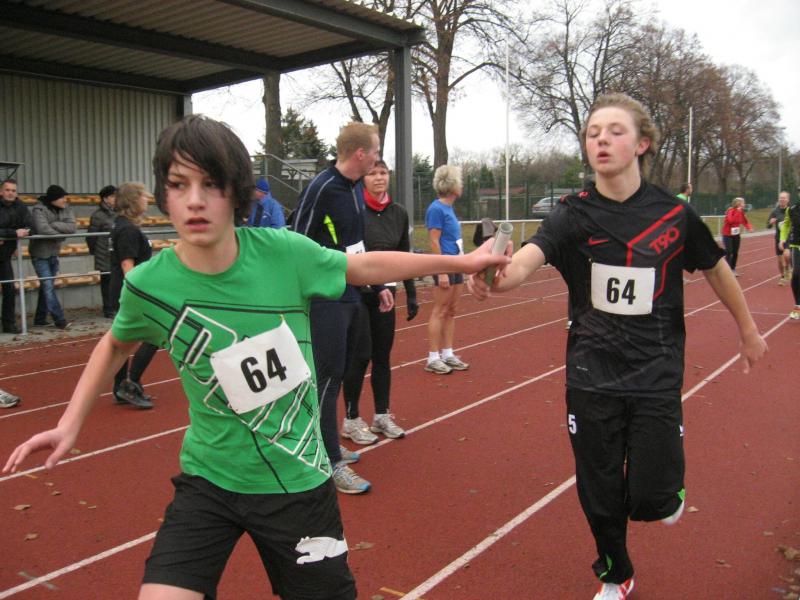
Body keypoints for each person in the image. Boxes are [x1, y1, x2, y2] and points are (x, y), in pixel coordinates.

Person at [3, 114, 507, 600]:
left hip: (297, 482)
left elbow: (367, 265)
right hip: (209, 481)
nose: (195, 200)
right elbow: (116, 342)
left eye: (212, 184)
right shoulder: (150, 285)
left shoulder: (283, 253)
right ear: (163, 195)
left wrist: (464, 261)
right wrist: (70, 424)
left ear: (237, 193)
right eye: (179, 184)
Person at [468, 92, 767, 600]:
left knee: (652, 497)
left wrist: (749, 330)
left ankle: (664, 492)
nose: (601, 139)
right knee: (599, 489)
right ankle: (616, 573)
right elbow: (524, 264)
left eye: (615, 131)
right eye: (593, 133)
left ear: (642, 144)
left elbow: (717, 268)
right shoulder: (572, 215)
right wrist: (493, 276)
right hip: (592, 373)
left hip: (655, 370)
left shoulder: (674, 214)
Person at [292, 122, 389, 493]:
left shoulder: (352, 189)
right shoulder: (322, 187)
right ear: (361, 153)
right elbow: (297, 239)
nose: (378, 158)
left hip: (350, 292)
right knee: (327, 376)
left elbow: (355, 245)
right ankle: (328, 460)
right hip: (324, 297)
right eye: (376, 151)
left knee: (349, 365)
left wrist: (377, 285)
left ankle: (328, 443)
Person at [341, 159, 419, 443]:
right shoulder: (355, 211)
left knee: (382, 356)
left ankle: (381, 415)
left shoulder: (398, 213)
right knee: (360, 355)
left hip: (387, 294)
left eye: (383, 173)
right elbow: (352, 253)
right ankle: (351, 419)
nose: (378, 178)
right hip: (359, 293)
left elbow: (405, 255)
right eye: (372, 173)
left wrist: (411, 292)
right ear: (363, 179)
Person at [109, 182, 158, 409]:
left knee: (125, 340)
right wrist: (140, 294)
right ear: (133, 201)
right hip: (130, 292)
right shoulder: (127, 229)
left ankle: (122, 386)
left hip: (125, 290)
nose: (147, 200)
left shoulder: (123, 225)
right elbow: (127, 266)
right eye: (144, 197)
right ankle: (130, 383)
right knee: (154, 335)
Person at [424, 165, 469, 375]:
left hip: (456, 263)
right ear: (452, 186)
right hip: (445, 265)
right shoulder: (436, 209)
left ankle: (448, 353)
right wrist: (441, 271)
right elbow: (434, 240)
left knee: (452, 310)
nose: (462, 186)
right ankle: (433, 357)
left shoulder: (449, 209)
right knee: (440, 310)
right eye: (459, 182)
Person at [29, 184, 75, 329]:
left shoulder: (66, 208)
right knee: (48, 286)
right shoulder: (39, 209)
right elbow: (42, 229)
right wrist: (60, 234)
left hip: (54, 253)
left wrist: (54, 225)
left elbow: (72, 227)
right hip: (40, 254)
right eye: (62, 197)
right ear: (54, 199)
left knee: (46, 286)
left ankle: (40, 318)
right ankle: (59, 320)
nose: (65, 200)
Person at [0, 178, 32, 334]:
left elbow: (30, 226)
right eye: (7, 190)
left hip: (4, 256)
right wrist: (13, 233)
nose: (10, 193)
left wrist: (20, 233)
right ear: (1, 191)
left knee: (9, 289)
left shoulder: (21, 207)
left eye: (13, 190)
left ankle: (9, 324)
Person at [87, 185, 117, 317]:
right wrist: (95, 251)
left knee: (117, 280)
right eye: (113, 196)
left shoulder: (120, 212)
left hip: (116, 251)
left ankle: (117, 306)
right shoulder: (98, 215)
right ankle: (108, 308)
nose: (116, 199)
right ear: (105, 199)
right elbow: (91, 236)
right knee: (107, 281)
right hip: (103, 252)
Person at [779, 194, 800, 319]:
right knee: (796, 273)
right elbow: (786, 224)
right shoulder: (792, 209)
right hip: (796, 245)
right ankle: (798, 306)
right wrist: (782, 238)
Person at [721, 197, 752, 276]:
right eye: (743, 203)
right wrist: (737, 212)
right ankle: (727, 269)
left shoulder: (741, 212)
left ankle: (733, 268)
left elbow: (744, 221)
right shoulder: (730, 211)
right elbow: (731, 221)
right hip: (727, 234)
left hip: (736, 235)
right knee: (729, 251)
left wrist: (749, 228)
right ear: (738, 204)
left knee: (735, 252)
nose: (744, 204)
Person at [768, 191, 791, 284]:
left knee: (787, 255)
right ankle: (782, 276)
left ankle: (788, 269)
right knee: (780, 260)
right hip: (778, 238)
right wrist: (771, 223)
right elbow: (768, 225)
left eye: (784, 198)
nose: (782, 199)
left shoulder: (791, 210)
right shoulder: (774, 211)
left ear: (788, 199)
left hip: (789, 237)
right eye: (781, 198)